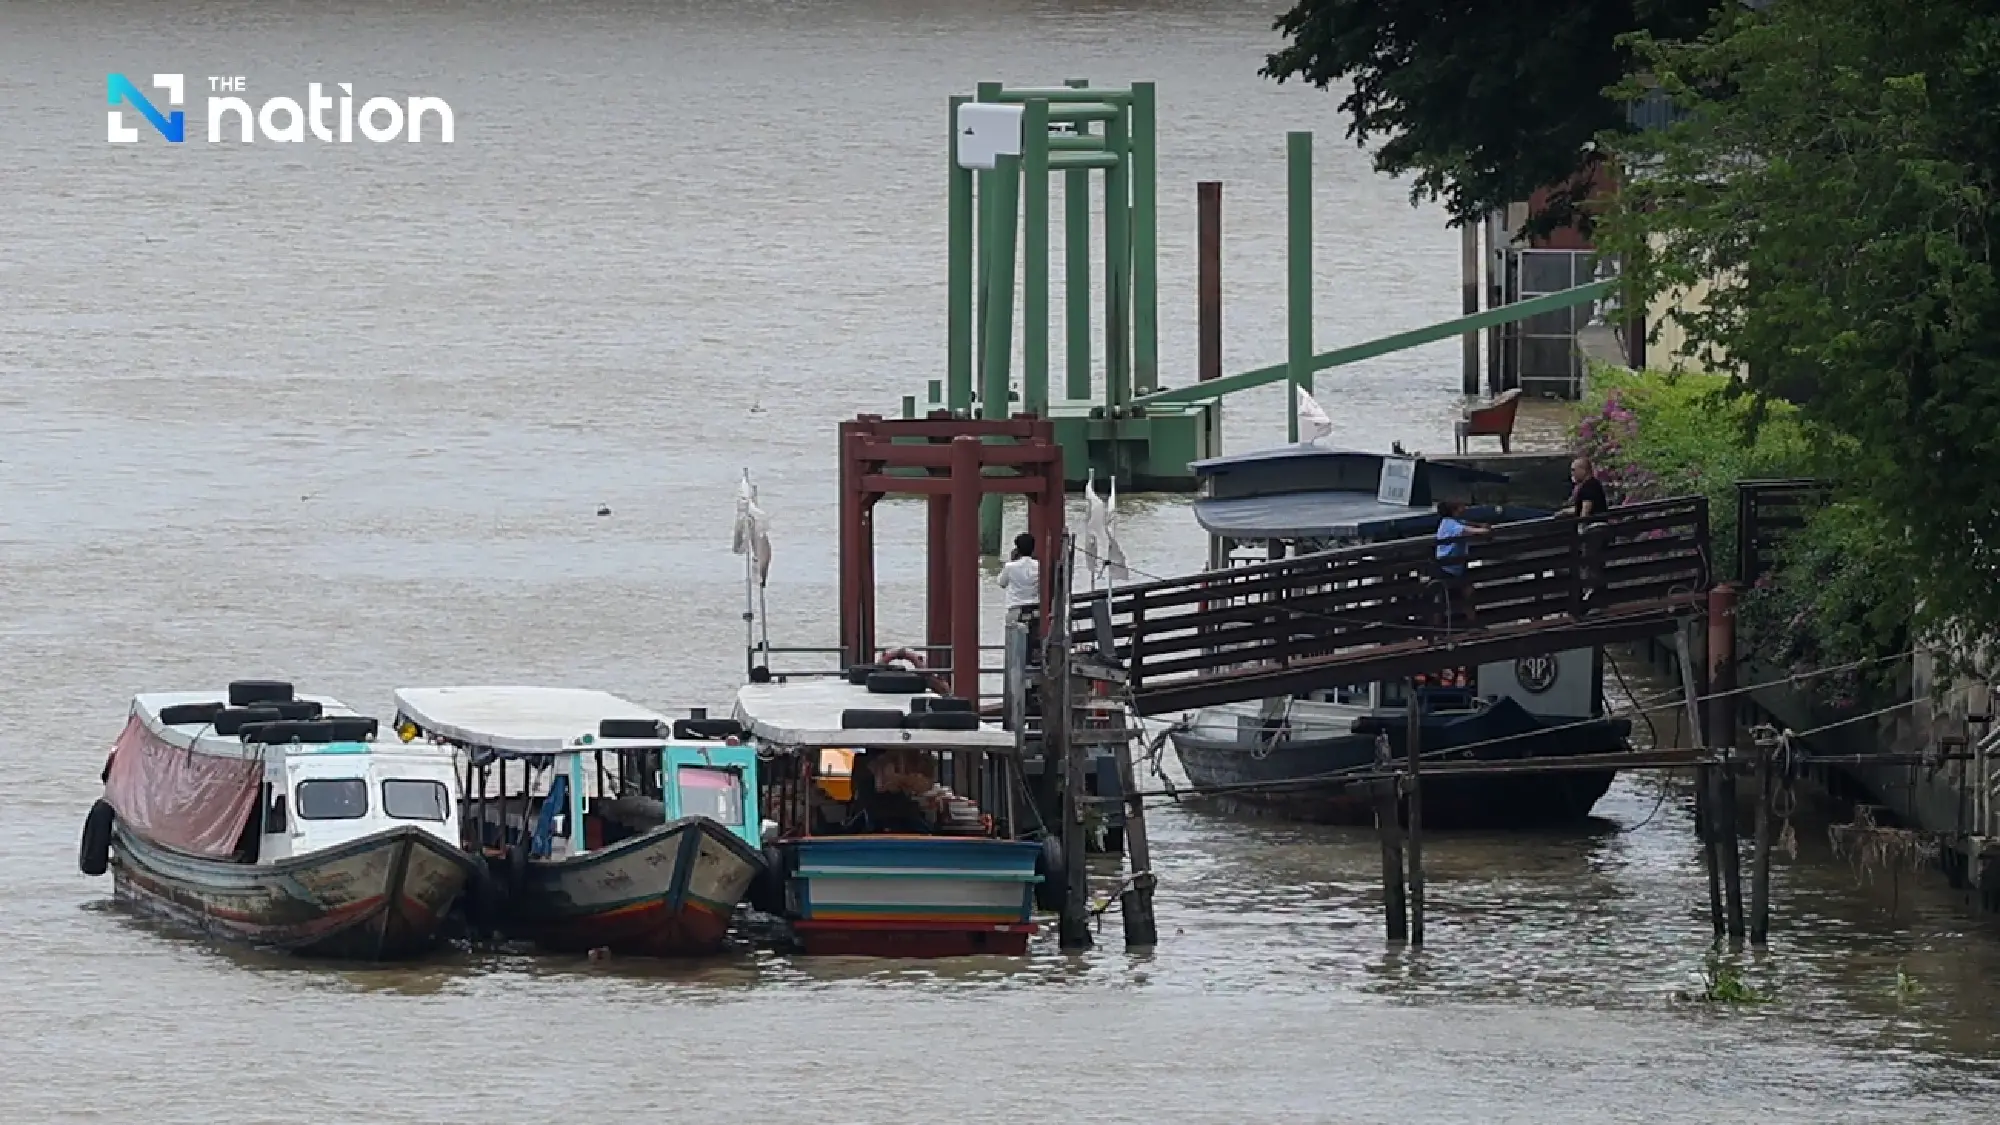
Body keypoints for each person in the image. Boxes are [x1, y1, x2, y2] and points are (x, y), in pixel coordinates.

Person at [1434, 499, 1491, 625]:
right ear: (1454, 511)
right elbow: (1464, 530)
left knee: (1467, 593)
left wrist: (1479, 525)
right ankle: (1438, 627)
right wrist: (1483, 531)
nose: (1464, 508)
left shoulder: (1453, 521)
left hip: (1456, 566)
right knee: (1444, 598)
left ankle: (1472, 623)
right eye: (1460, 507)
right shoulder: (1450, 525)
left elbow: (1467, 524)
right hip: (1447, 567)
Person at [997, 532, 1041, 637]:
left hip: (1015, 609)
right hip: (1034, 609)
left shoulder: (1010, 566)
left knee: (1013, 644)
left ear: (1017, 549)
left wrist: (1011, 560)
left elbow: (1001, 583)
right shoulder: (1039, 566)